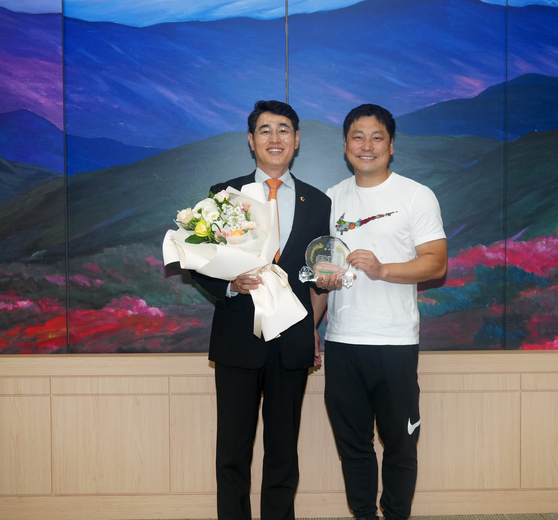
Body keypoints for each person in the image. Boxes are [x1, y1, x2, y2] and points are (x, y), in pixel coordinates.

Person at [190, 100, 331, 520]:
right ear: (251, 141)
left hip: (291, 342)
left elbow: (315, 274)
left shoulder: (317, 202)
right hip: (238, 340)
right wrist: (229, 284)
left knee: (283, 452)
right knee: (233, 450)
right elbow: (198, 261)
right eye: (265, 130)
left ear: (297, 140)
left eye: (284, 129)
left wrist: (314, 323)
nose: (275, 138)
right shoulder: (224, 195)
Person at [314, 104, 448, 520]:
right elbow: (322, 274)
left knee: (401, 444)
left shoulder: (416, 195)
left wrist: (383, 269)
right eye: (358, 137)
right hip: (342, 340)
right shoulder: (330, 199)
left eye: (377, 137)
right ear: (345, 145)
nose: (367, 146)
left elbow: (436, 263)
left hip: (394, 341)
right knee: (353, 446)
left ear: (391, 145)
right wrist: (311, 326)